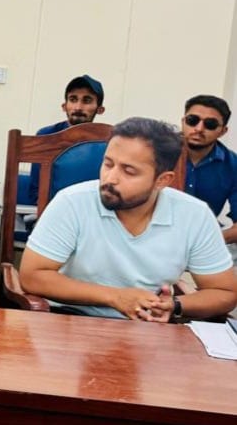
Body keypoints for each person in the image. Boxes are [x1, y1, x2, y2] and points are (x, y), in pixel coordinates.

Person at [20, 117, 237, 320]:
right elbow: (32, 276)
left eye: (129, 171)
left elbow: (224, 292)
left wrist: (174, 305)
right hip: (69, 319)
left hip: (146, 327)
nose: (110, 178)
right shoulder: (72, 202)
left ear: (162, 180)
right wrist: (115, 297)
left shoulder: (194, 215)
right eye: (108, 164)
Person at [27, 74, 106, 204]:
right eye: (73, 99)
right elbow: (36, 191)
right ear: (64, 106)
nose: (78, 107)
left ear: (100, 109)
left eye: (87, 101)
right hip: (52, 209)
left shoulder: (109, 140)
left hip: (94, 209)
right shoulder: (46, 136)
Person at [181, 94, 237, 257]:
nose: (199, 128)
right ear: (183, 121)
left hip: (204, 240)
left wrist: (208, 241)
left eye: (210, 124)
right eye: (192, 120)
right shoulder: (157, 153)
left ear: (223, 131)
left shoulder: (233, 165)